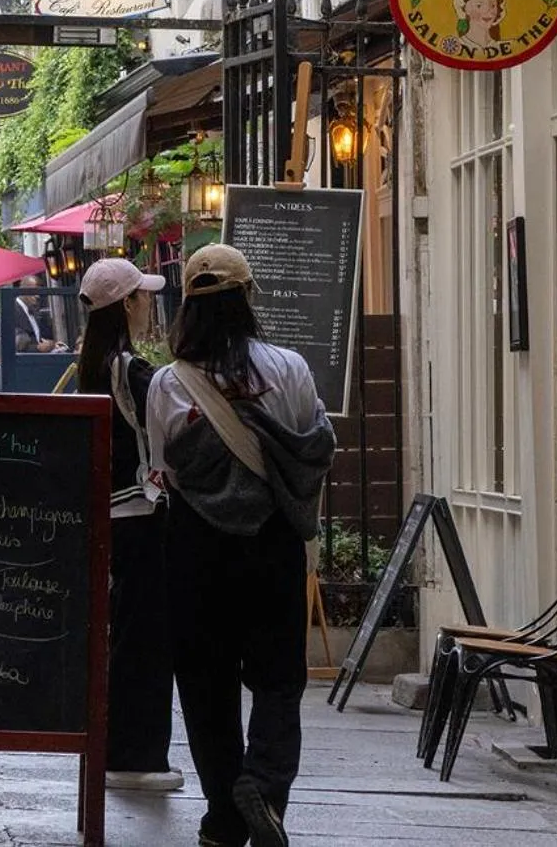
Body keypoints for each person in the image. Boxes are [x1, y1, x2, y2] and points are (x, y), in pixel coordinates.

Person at [146, 245, 335, 847]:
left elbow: (164, 471)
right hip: (272, 543)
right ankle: (265, 787)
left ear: (187, 306)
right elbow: (311, 447)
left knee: (206, 685)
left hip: (196, 548)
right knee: (279, 679)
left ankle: (224, 818)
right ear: (249, 296)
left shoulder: (168, 384)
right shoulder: (291, 369)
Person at [77, 256, 182, 796]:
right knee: (146, 638)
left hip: (110, 515)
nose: (149, 304)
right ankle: (136, 754)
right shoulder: (131, 370)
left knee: (124, 634)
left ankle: (118, 746)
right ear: (126, 305)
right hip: (140, 514)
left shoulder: (90, 366)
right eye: (142, 296)